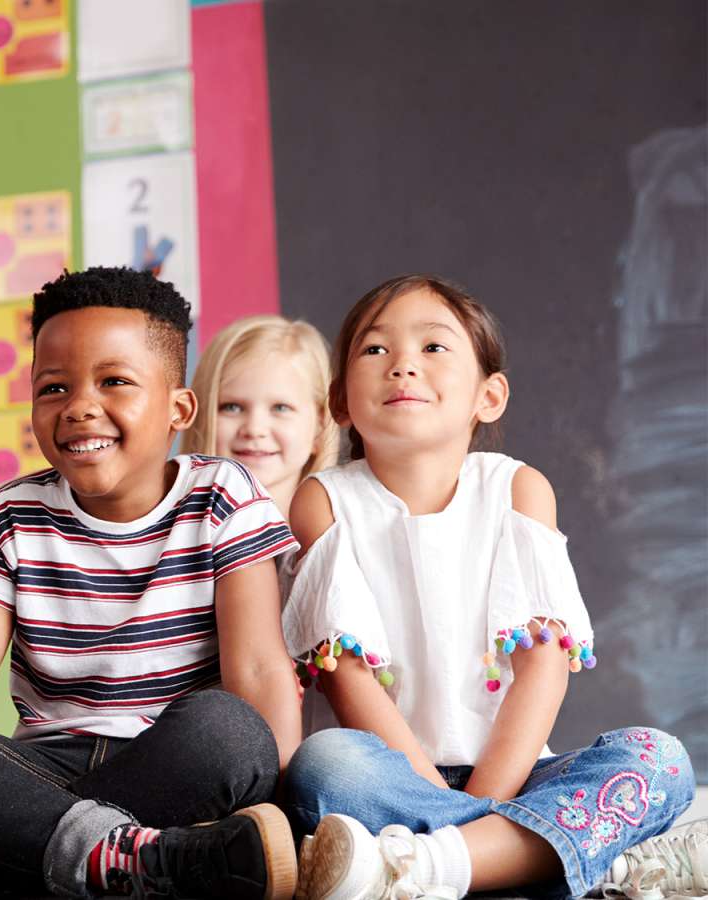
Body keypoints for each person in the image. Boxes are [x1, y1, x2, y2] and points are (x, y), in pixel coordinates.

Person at [0, 267, 303, 900]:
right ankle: (140, 860)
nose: (80, 405)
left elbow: (262, 672)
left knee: (231, 729)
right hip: (38, 762)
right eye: (54, 387)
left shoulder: (224, 496)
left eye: (114, 382)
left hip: (171, 759)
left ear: (178, 409)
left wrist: (290, 812)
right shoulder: (11, 513)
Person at [280, 274, 696, 899]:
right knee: (326, 763)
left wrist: (484, 800)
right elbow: (348, 680)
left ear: (489, 395)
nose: (402, 368)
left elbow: (543, 669)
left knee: (660, 759)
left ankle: (433, 866)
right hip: (388, 780)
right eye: (375, 351)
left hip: (516, 773)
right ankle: (553, 860)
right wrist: (457, 810)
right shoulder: (323, 501)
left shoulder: (518, 489)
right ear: (341, 402)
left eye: (433, 348)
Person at [182, 314, 338, 516]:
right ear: (200, 417)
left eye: (280, 408)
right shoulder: (171, 539)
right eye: (232, 407)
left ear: (320, 425)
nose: (254, 429)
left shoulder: (347, 540)